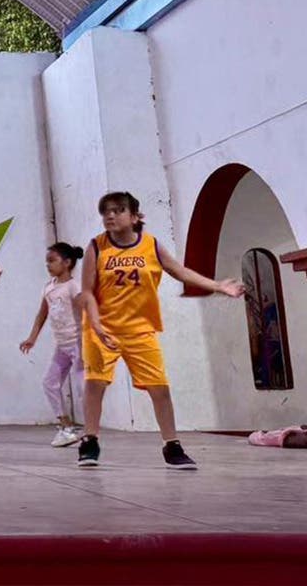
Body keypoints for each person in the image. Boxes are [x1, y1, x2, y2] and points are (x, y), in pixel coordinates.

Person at [76, 191, 243, 470]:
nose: (110, 216)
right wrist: (96, 326)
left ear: (135, 216)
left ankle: (172, 446)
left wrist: (217, 286)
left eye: (118, 210)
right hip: (101, 327)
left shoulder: (151, 245)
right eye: (105, 211)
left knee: (160, 389)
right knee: (95, 384)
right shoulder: (96, 247)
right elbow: (86, 293)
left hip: (140, 330)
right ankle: (89, 441)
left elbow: (179, 271)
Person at [19, 242, 86, 447]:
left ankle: (91, 433)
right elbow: (42, 314)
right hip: (62, 347)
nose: (47, 265)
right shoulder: (49, 287)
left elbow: (85, 314)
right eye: (46, 261)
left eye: (52, 261)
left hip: (78, 344)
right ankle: (66, 426)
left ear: (67, 263)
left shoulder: (74, 287)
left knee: (83, 388)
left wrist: (88, 343)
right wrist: (32, 338)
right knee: (49, 383)